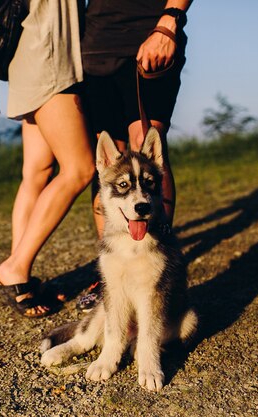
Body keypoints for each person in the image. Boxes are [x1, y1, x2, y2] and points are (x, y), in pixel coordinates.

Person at [76, 0, 192, 312]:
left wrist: (170, 20)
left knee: (147, 145)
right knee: (109, 161)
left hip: (151, 33)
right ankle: (112, 272)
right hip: (95, 47)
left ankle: (157, 259)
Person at [0, 0, 95, 318]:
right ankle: (15, 267)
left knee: (38, 171)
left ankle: (17, 277)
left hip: (28, 54)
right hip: (52, 59)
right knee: (80, 169)